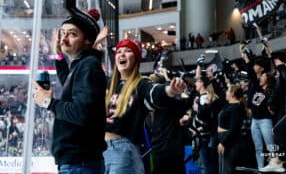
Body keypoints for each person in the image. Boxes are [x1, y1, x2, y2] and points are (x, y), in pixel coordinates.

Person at [32, 9, 107, 174]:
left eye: (72, 34)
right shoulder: (83, 64)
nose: (64, 39)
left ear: (88, 41)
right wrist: (58, 57)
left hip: (79, 164)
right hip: (78, 163)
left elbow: (82, 113)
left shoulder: (88, 66)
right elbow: (68, 81)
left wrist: (49, 102)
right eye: (63, 34)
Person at [103, 38, 187, 174]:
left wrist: (170, 90)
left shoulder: (141, 84)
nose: (122, 54)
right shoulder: (109, 85)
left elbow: (155, 92)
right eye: (119, 51)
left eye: (128, 51)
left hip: (123, 151)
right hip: (101, 151)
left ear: (136, 59)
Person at [217, 85, 246, 174]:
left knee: (227, 169)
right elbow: (220, 93)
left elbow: (234, 128)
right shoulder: (229, 105)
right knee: (223, 169)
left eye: (227, 91)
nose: (226, 92)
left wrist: (223, 142)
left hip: (230, 141)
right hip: (225, 138)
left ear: (232, 94)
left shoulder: (236, 107)